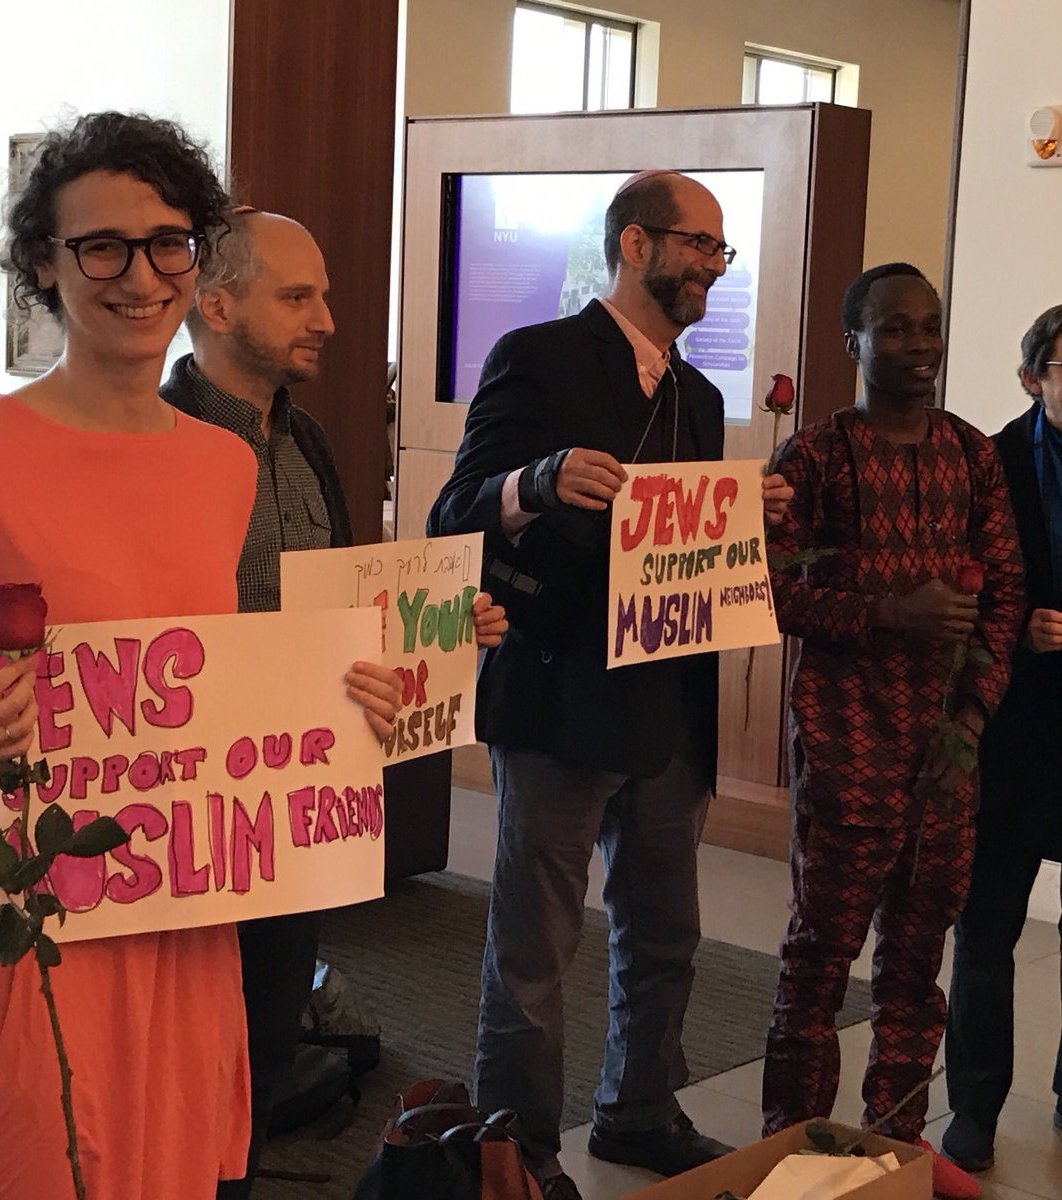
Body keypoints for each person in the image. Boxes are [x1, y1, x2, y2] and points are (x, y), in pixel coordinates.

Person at [0, 111, 260, 1199]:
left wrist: (362, 691)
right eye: (102, 247)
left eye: (168, 241)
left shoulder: (227, 468)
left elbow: (217, 686)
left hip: (177, 909)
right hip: (23, 920)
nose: (140, 276)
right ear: (45, 262)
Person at [428, 169, 792, 1200]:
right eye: (701, 246)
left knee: (666, 931)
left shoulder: (700, 394)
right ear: (636, 245)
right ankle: (522, 1153)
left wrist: (735, 521)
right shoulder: (536, 358)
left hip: (671, 708)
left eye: (724, 252)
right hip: (556, 698)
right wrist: (531, 484)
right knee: (536, 950)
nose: (716, 267)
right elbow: (454, 513)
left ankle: (639, 1112)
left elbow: (679, 549)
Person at [160, 207, 507, 1196]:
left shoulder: (306, 438)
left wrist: (436, 625)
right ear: (215, 304)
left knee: (265, 1048)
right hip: (186, 814)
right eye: (299, 297)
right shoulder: (154, 442)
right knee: (175, 1065)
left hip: (293, 813)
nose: (329, 320)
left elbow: (347, 609)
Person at [760, 262, 1024, 1200]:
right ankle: (794, 1160)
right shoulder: (816, 457)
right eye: (896, 330)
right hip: (844, 753)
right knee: (818, 967)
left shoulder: (972, 454)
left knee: (917, 972)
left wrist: (972, 715)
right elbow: (774, 588)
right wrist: (888, 611)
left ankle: (893, 1161)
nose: (917, 347)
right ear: (854, 344)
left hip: (947, 762)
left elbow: (1003, 593)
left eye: (930, 327)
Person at [942, 304, 1062, 1173]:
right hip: (1010, 729)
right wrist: (1017, 626)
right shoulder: (987, 463)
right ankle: (974, 1108)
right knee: (986, 930)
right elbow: (956, 588)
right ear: (1033, 378)